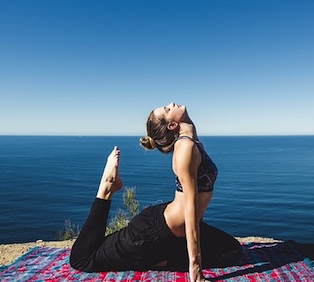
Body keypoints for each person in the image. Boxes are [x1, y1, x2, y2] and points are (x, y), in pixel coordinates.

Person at [69, 103, 241, 281]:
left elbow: (194, 208)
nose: (171, 104)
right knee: (83, 259)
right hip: (151, 234)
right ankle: (106, 188)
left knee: (232, 251)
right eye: (167, 109)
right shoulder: (185, 148)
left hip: (174, 230)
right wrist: (195, 268)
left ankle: (159, 259)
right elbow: (190, 208)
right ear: (172, 126)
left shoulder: (192, 141)